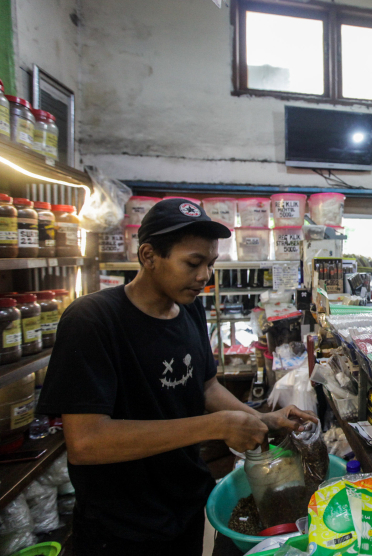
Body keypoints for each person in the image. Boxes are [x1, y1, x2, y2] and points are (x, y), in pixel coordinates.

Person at [37, 199, 317, 556]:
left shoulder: (189, 311)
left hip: (183, 506)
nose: (204, 276)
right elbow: (86, 442)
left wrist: (262, 419)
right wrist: (215, 426)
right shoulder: (92, 321)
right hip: (121, 523)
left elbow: (205, 387)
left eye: (211, 264)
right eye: (193, 263)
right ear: (148, 255)